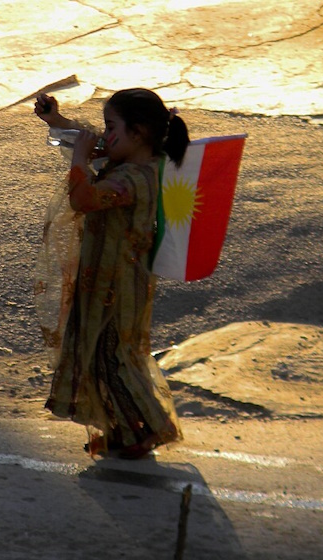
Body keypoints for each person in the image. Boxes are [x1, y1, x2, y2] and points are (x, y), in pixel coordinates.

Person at [33, 88, 188, 459]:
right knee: (99, 355)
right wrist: (57, 121)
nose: (105, 135)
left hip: (119, 287)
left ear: (138, 133)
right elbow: (91, 140)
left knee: (115, 357)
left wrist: (80, 161)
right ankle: (122, 431)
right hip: (102, 280)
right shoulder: (133, 159)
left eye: (111, 126)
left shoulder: (136, 178)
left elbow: (83, 200)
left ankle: (151, 428)